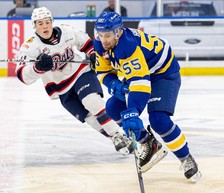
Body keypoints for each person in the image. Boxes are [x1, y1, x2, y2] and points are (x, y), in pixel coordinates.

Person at [93, 11, 202, 182]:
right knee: (113, 107)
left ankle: (186, 158)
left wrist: (133, 110)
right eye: (100, 35)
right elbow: (103, 71)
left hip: (163, 74)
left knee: (159, 120)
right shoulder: (101, 45)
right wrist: (114, 84)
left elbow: (140, 81)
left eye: (107, 35)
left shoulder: (127, 46)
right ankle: (149, 143)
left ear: (118, 32)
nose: (104, 40)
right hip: (141, 73)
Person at [15, 7, 133, 156]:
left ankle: (119, 134)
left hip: (80, 73)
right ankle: (116, 139)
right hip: (60, 87)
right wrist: (37, 68)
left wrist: (92, 54)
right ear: (34, 26)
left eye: (47, 22)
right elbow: (22, 75)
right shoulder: (31, 47)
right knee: (89, 117)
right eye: (40, 23)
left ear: (52, 22)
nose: (44, 26)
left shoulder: (66, 31)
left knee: (91, 101)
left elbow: (86, 43)